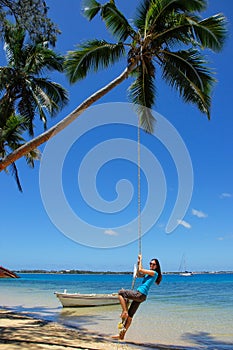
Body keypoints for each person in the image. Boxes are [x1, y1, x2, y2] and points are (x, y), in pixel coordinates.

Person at [112, 254, 162, 340]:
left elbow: (141, 269)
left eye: (153, 264)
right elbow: (139, 272)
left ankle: (124, 311)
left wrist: (141, 259)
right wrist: (139, 262)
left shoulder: (155, 273)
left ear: (157, 266)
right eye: (150, 264)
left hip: (140, 294)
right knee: (130, 316)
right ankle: (121, 335)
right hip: (142, 296)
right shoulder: (148, 274)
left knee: (120, 293)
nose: (151, 265)